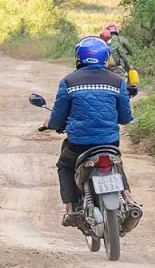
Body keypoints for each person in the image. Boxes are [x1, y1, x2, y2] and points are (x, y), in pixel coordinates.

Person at [43, 36, 134, 227]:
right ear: (105, 57)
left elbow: (58, 117)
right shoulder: (117, 82)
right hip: (109, 142)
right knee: (116, 162)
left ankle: (70, 210)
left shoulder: (68, 82)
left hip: (79, 144)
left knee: (65, 166)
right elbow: (125, 118)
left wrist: (52, 124)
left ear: (79, 57)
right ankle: (129, 197)